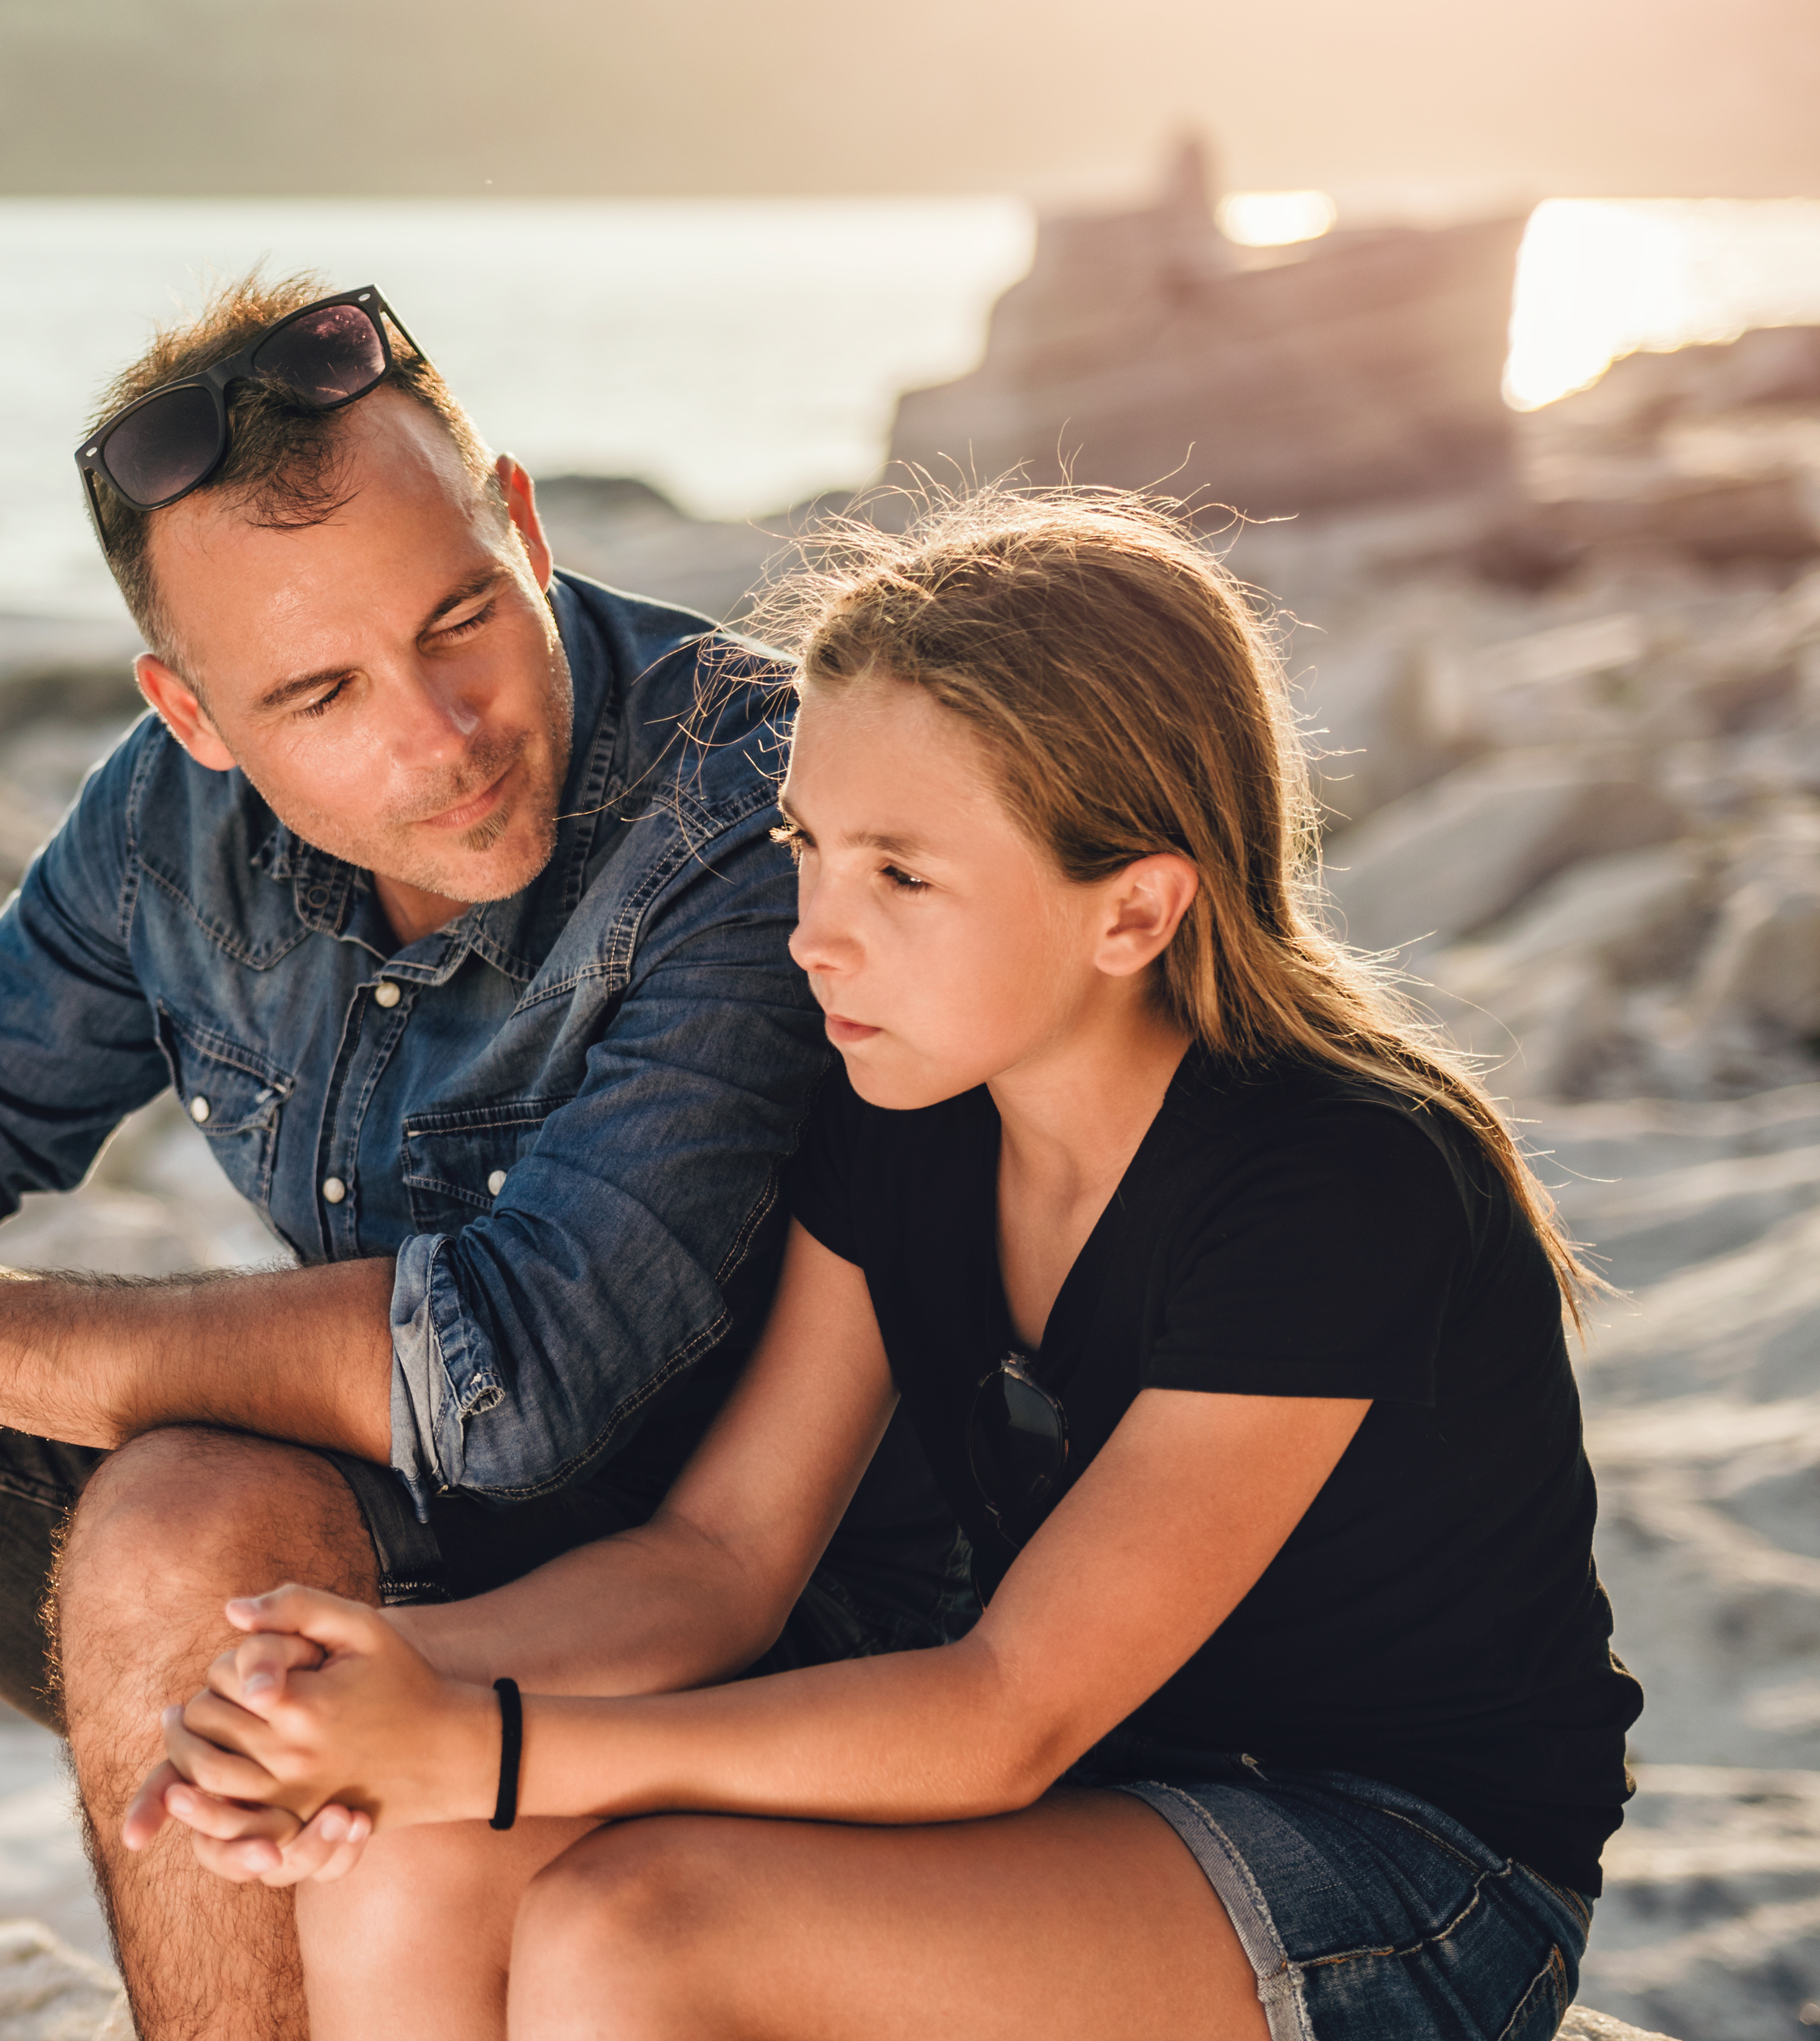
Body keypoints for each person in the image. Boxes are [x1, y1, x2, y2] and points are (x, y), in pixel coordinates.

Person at [0, 272, 970, 2041]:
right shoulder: (171, 821)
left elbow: (516, 1371)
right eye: (318, 690)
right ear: (193, 711)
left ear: (519, 523)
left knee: (189, 1523)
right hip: (365, 1570)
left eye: (459, 615)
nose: (438, 732)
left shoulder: (753, 811)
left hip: (720, 1659)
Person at [137, 488, 1643, 2041]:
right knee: (409, 1858)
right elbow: (721, 1557)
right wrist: (377, 1680)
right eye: (807, 847)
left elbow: (1004, 1707)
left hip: (1402, 1863)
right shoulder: (908, 1121)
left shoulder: (1336, 1182)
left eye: (899, 876)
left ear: (1132, 907)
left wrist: (493, 1744)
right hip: (1101, 1792)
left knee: (633, 1929)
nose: (814, 935)